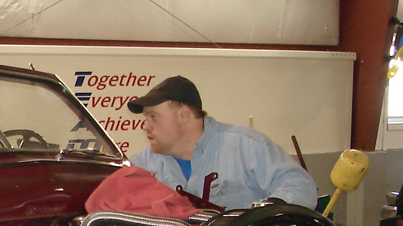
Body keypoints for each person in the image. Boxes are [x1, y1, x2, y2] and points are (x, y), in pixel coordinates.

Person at [126, 76, 317, 210]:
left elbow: (300, 186)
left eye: (153, 117)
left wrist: (264, 214)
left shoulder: (245, 147)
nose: (146, 126)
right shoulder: (143, 166)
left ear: (184, 115)